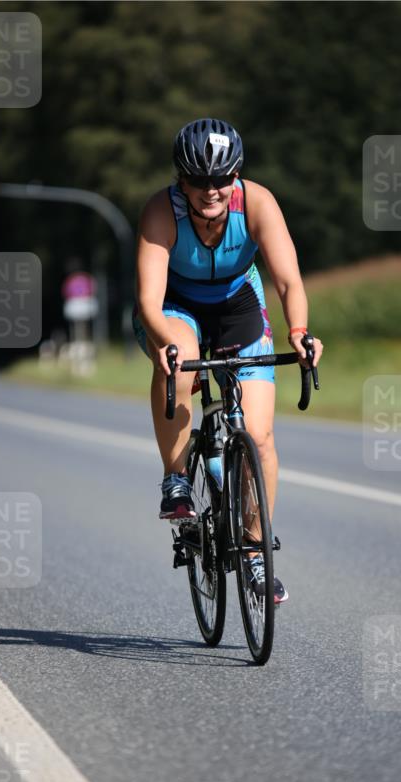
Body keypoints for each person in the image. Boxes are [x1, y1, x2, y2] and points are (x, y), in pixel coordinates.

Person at [134, 117, 323, 604]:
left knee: (258, 437)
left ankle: (256, 553)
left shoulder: (256, 203)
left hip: (239, 304)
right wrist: (165, 344)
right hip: (175, 307)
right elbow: (149, 302)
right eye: (199, 180)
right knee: (180, 360)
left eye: (222, 178)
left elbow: (288, 281)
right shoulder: (162, 211)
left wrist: (299, 332)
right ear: (182, 179)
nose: (211, 190)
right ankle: (177, 478)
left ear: (236, 176)